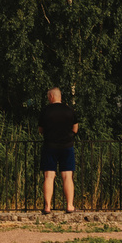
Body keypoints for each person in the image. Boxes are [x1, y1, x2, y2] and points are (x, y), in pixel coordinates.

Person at [38, 86, 80, 214]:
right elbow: (75, 129)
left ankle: (47, 206)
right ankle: (69, 205)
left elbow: (40, 130)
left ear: (51, 97)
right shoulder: (70, 110)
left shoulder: (45, 111)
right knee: (67, 176)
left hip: (50, 146)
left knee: (49, 176)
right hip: (67, 146)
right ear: (60, 96)